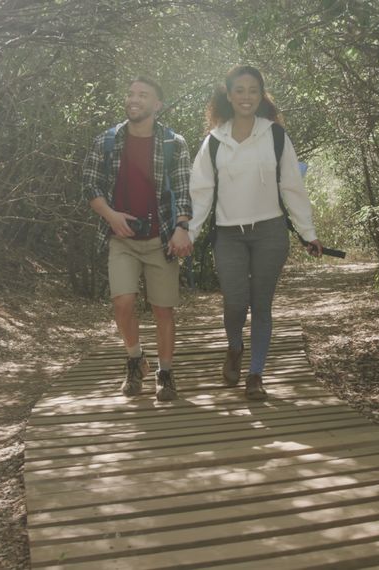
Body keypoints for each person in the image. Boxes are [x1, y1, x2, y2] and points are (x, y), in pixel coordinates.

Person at [187, 65, 322, 401]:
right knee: (234, 303)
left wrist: (308, 233)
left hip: (270, 232)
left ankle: (256, 375)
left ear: (261, 95)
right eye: (239, 90)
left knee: (261, 305)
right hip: (228, 234)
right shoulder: (214, 142)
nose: (246, 96)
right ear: (228, 95)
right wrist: (187, 235)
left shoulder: (276, 136)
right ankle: (235, 347)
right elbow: (200, 192)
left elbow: (293, 187)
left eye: (253, 90)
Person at [83, 76, 194, 401]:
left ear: (157, 105)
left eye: (143, 95)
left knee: (163, 310)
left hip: (160, 238)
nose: (134, 99)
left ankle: (166, 373)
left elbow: (184, 190)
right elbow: (90, 185)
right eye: (131, 94)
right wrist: (111, 216)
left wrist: (181, 227)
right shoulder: (107, 140)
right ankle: (134, 360)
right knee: (123, 303)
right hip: (121, 238)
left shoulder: (175, 143)